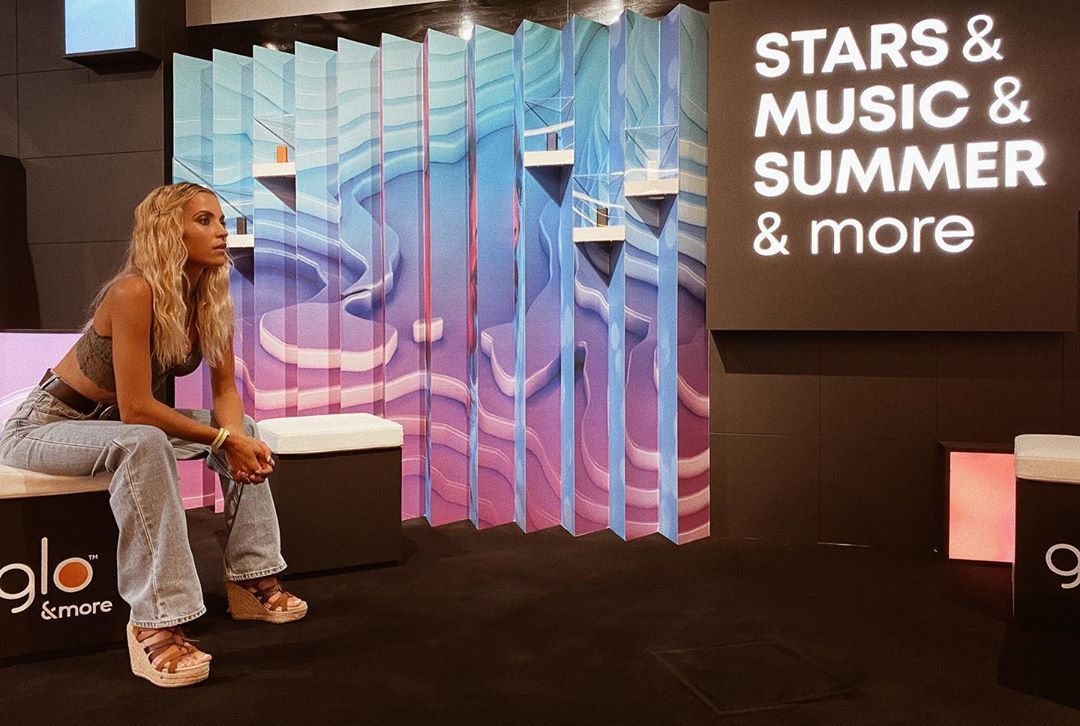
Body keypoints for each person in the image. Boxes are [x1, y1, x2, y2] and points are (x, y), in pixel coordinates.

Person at [0, 182, 306, 688]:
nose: (221, 231)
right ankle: (155, 622)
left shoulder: (209, 299)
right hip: (45, 426)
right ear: (168, 231)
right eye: (204, 221)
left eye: (221, 221)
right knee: (145, 440)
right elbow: (138, 409)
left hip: (111, 426)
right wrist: (221, 441)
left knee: (244, 428)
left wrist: (235, 439)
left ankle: (252, 578)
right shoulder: (133, 292)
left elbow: (225, 391)